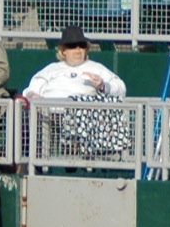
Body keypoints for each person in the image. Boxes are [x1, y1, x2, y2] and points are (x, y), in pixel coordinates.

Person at [23, 26, 130, 157]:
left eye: (82, 45)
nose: (78, 50)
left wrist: (103, 86)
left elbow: (120, 88)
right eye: (73, 46)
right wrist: (34, 96)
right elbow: (31, 89)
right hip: (51, 115)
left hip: (83, 117)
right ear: (63, 51)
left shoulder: (96, 68)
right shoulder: (52, 69)